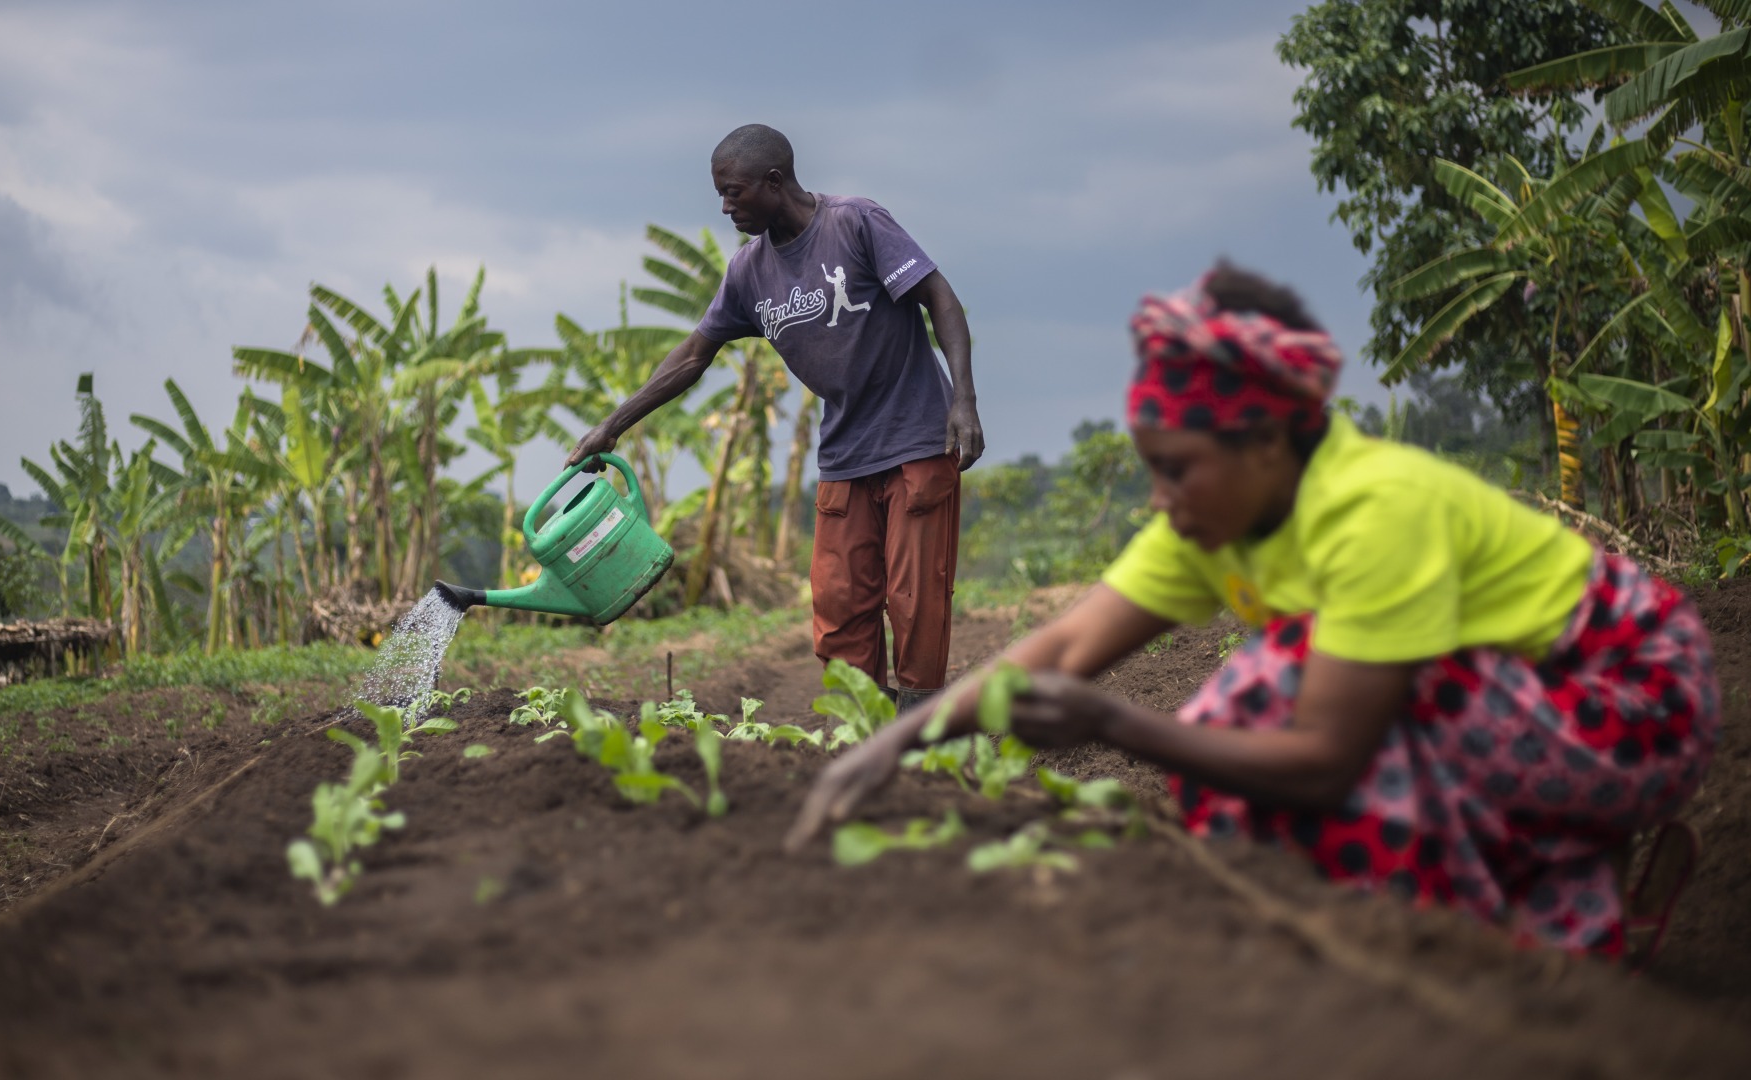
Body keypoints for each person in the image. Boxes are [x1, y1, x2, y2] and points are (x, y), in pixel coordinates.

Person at [789, 263, 1718, 955]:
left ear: (1271, 439)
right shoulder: (1215, 518)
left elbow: (1322, 761)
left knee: (1288, 697)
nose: (1160, 498)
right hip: (1520, 701)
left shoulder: (1375, 511)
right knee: (1251, 723)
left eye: (1178, 468)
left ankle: (1529, 940)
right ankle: (1555, 883)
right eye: (1152, 466)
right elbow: (1066, 643)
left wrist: (1116, 723)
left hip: (1633, 701)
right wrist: (890, 746)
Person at [567, 124, 984, 708]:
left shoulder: (856, 222)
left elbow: (939, 295)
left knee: (915, 599)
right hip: (845, 453)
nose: (724, 206)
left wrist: (963, 398)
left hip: (917, 438)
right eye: (721, 193)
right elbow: (693, 354)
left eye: (734, 192)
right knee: (839, 604)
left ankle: (921, 728)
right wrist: (612, 424)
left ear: (774, 181)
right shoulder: (748, 271)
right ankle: (861, 725)